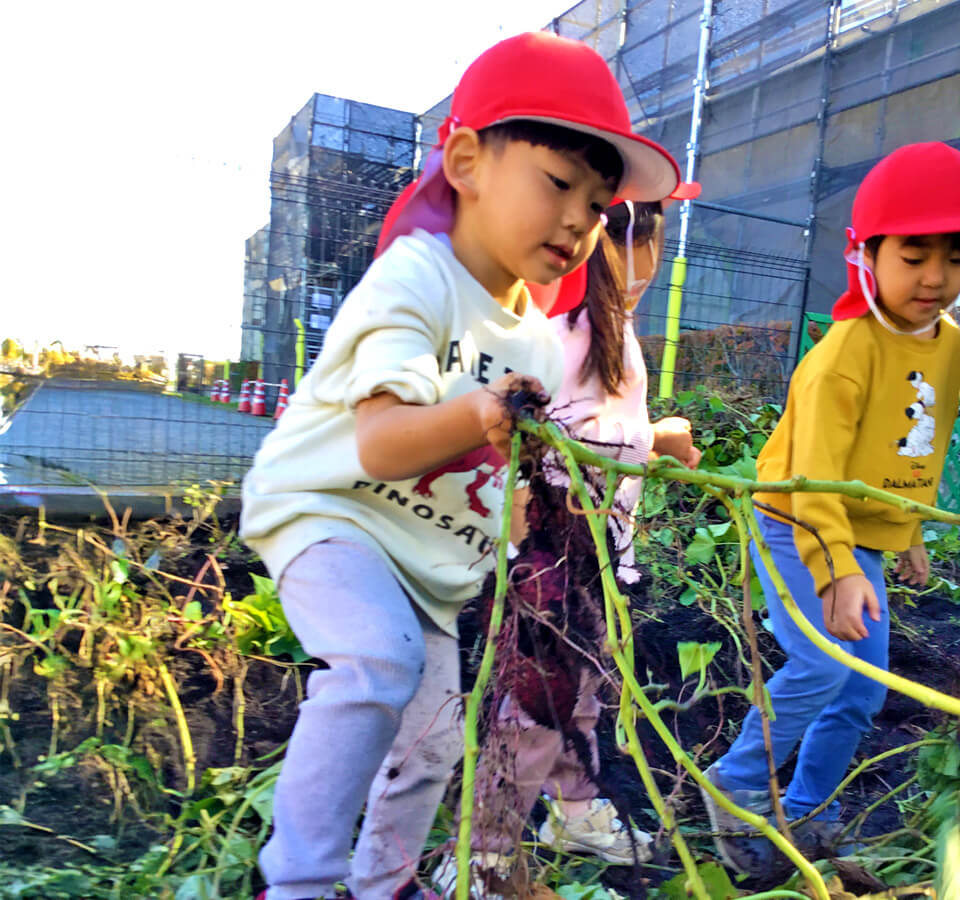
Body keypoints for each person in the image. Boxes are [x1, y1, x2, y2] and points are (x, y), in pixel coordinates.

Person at [240, 31, 686, 900]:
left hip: (426, 562)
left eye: (598, 207)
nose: (579, 220)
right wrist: (477, 415)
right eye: (559, 184)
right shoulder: (417, 278)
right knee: (375, 661)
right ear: (469, 160)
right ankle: (294, 883)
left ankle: (386, 882)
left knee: (437, 737)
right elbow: (379, 443)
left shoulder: (534, 340)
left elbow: (513, 467)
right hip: (333, 514)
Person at [700, 141, 960, 875]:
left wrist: (905, 533)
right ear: (867, 256)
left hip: (859, 537)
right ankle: (739, 782)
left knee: (862, 687)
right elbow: (815, 475)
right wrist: (838, 565)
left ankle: (815, 809)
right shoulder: (845, 353)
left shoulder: (950, 347)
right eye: (914, 256)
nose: (935, 278)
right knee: (820, 661)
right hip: (798, 524)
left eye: (954, 256)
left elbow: (917, 448)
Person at [434, 198, 702, 896]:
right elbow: (519, 441)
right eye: (636, 242)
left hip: (602, 560)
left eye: (652, 244)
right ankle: (482, 853)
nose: (647, 262)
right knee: (531, 712)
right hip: (552, 561)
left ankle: (575, 814)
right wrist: (525, 554)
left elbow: (607, 433)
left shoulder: (617, 333)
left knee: (581, 698)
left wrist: (660, 436)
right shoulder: (557, 334)